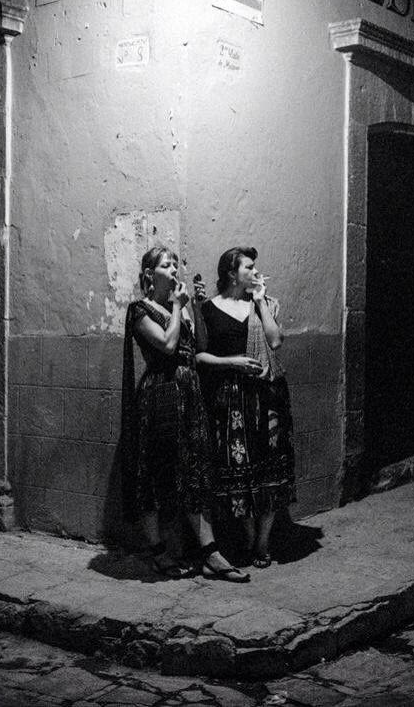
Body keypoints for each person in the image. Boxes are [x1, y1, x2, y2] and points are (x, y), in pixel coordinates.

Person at [121, 246, 250, 583]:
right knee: (156, 475)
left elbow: (199, 348)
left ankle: (210, 554)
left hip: (189, 394)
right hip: (160, 397)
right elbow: (165, 345)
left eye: (176, 263)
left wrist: (193, 306)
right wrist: (178, 308)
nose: (175, 269)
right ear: (151, 275)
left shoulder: (182, 308)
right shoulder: (140, 310)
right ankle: (158, 552)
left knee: (194, 471)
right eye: (167, 265)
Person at [195, 246, 296, 568]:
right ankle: (249, 537)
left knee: (271, 469)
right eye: (249, 268)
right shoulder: (208, 309)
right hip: (231, 400)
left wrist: (261, 301)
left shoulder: (265, 304)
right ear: (231, 273)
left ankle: (263, 543)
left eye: (255, 267)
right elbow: (199, 356)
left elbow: (275, 341)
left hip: (268, 396)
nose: (255, 272)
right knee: (240, 473)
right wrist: (232, 363)